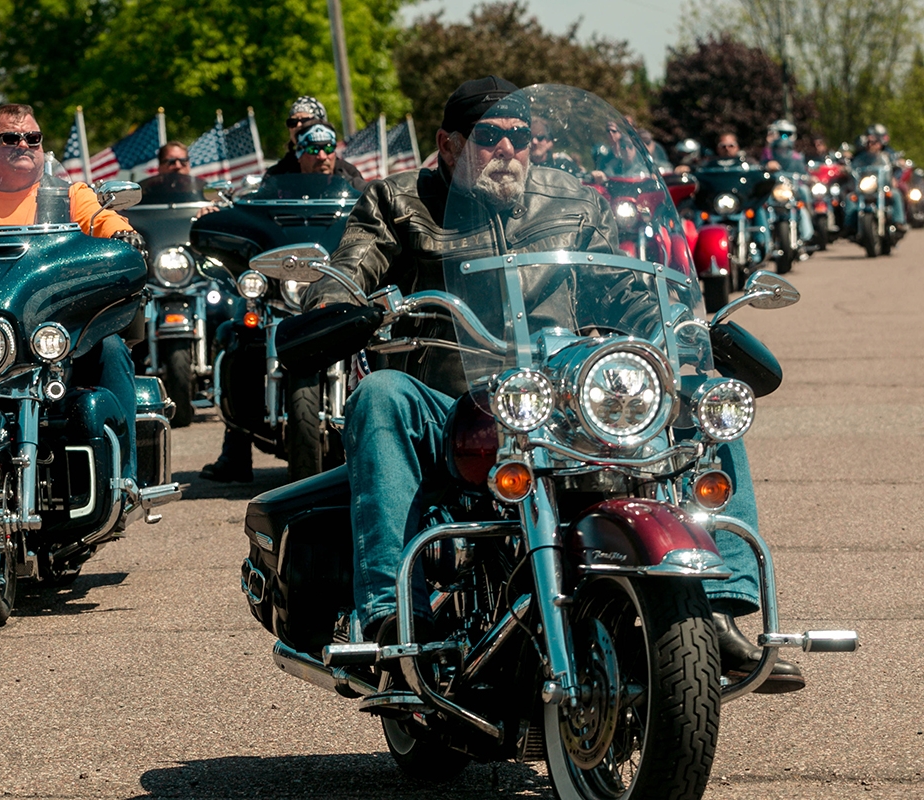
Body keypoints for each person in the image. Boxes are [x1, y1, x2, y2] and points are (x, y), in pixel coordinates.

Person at [301, 76, 804, 693]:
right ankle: (391, 616)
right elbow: (349, 270)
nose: (508, 149)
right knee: (380, 395)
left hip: (562, 396)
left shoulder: (573, 200)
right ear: (448, 144)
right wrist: (333, 305)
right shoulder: (397, 201)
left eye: (519, 136)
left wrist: (677, 326)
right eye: (490, 136)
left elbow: (621, 289)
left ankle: (717, 610)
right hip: (452, 402)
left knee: (703, 400)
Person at [0, 103, 146, 481]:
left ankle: (124, 477)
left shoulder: (71, 196)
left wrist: (122, 234)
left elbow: (100, 218)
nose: (24, 144)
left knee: (110, 348)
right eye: (10, 138)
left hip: (55, 333)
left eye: (32, 138)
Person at [199, 109, 367, 484]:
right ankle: (235, 453)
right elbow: (250, 216)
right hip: (280, 285)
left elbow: (374, 213)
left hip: (333, 283)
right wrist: (221, 212)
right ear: (299, 149)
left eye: (328, 148)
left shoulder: (353, 180)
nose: (322, 155)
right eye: (313, 148)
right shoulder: (276, 180)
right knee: (240, 334)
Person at [844, 123, 906, 233]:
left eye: (874, 142)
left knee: (895, 194)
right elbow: (853, 166)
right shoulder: (860, 156)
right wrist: (846, 167)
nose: (871, 145)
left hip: (882, 186)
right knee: (850, 198)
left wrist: (896, 171)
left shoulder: (886, 155)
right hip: (865, 188)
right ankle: (849, 226)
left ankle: (899, 222)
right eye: (869, 142)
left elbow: (895, 164)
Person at [139, 141, 208, 202]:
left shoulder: (201, 192)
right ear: (160, 166)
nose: (178, 166)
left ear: (188, 164)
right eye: (171, 161)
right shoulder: (148, 194)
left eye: (183, 161)